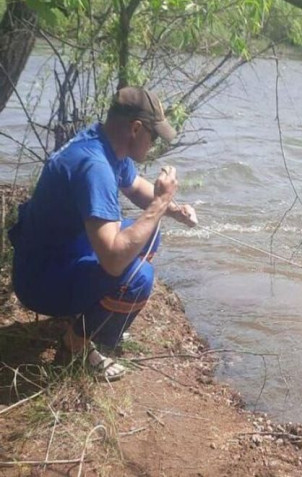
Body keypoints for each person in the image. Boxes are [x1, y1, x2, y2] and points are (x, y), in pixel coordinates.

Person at [8, 86, 198, 381]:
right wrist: (159, 203)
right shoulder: (94, 166)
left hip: (56, 257)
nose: (155, 144)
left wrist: (171, 209)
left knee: (149, 232)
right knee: (138, 279)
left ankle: (92, 311)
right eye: (154, 136)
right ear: (136, 129)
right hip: (40, 282)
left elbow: (135, 187)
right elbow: (112, 260)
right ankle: (76, 345)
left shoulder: (104, 142)